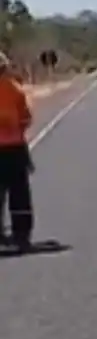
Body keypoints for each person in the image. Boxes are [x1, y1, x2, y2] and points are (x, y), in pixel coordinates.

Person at [0, 52, 34, 252]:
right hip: (14, 148)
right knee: (19, 193)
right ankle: (21, 235)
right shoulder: (15, 90)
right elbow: (26, 119)